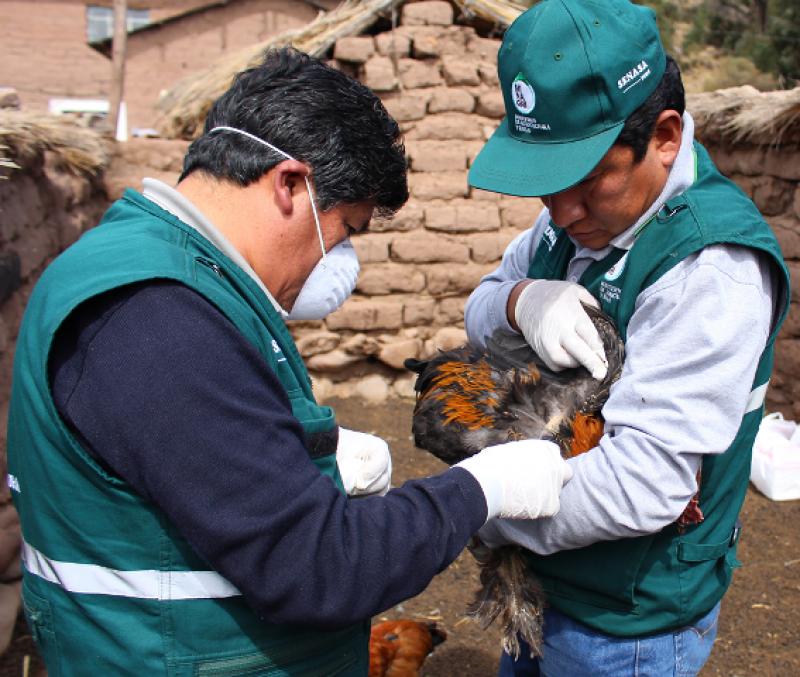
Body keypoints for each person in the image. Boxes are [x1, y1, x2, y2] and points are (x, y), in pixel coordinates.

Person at [5, 48, 574, 676]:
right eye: (346, 229)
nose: (336, 258)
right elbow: (319, 570)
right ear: (289, 185)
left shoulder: (147, 272)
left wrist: (295, 459)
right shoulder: (155, 317)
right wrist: (479, 489)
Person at [464, 1, 790, 675]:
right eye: (545, 186)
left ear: (664, 136)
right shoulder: (566, 223)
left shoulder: (710, 267)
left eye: (585, 181)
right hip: (539, 582)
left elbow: (641, 484)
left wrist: (475, 505)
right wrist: (524, 300)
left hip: (625, 625)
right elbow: (480, 307)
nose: (560, 210)